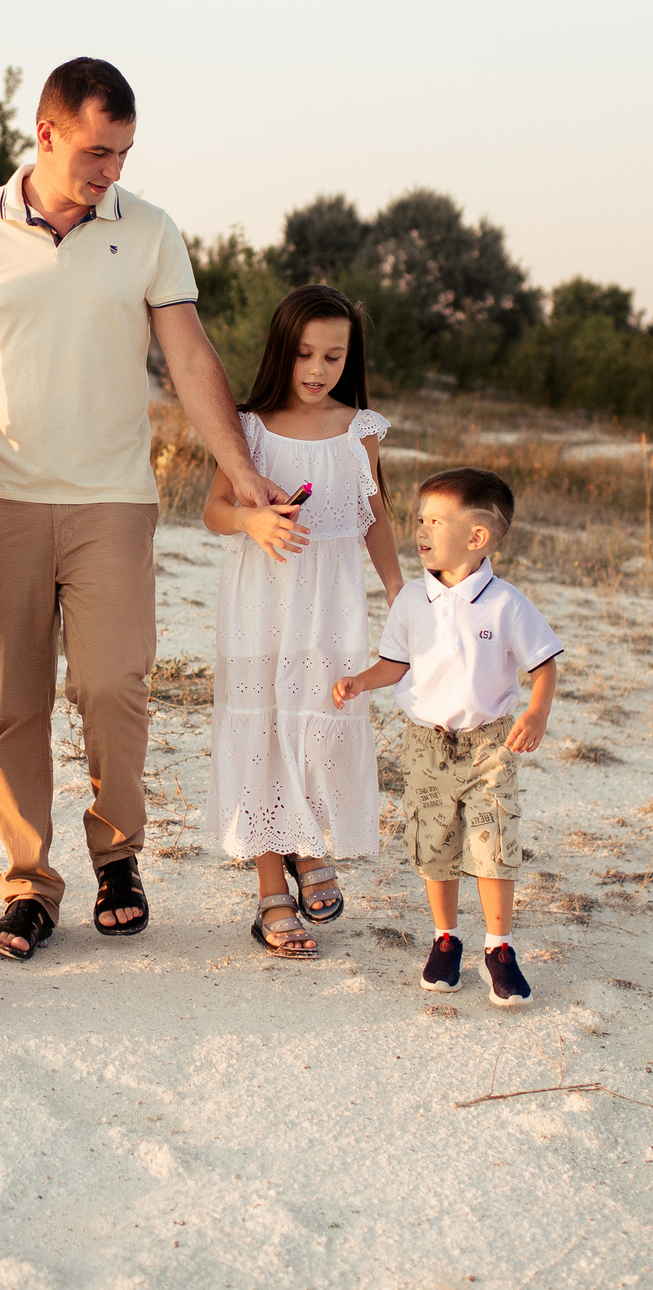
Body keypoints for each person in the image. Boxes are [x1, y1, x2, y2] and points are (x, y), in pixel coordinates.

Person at [0, 57, 277, 961]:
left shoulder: (149, 230)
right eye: (97, 152)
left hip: (113, 497)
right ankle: (28, 885)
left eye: (123, 153)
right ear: (47, 134)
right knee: (15, 701)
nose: (111, 170)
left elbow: (189, 357)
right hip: (1, 496)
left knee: (115, 682)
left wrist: (238, 468)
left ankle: (118, 856)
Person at [203, 286, 405, 959]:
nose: (317, 369)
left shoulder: (359, 430)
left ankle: (307, 843)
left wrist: (399, 588)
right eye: (304, 354)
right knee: (262, 727)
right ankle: (271, 885)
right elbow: (214, 510)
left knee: (318, 727)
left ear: (351, 358)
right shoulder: (248, 427)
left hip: (329, 606)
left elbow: (373, 515)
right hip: (261, 600)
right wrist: (252, 519)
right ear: (281, 351)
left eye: (333, 356)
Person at [331, 468, 562, 1005]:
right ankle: (445, 939)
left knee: (493, 842)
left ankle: (499, 948)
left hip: (490, 745)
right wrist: (361, 680)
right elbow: (396, 663)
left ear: (477, 536)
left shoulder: (505, 603)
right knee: (433, 842)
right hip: (426, 745)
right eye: (420, 519)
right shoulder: (413, 599)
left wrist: (537, 712)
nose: (421, 530)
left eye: (436, 521)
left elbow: (544, 663)